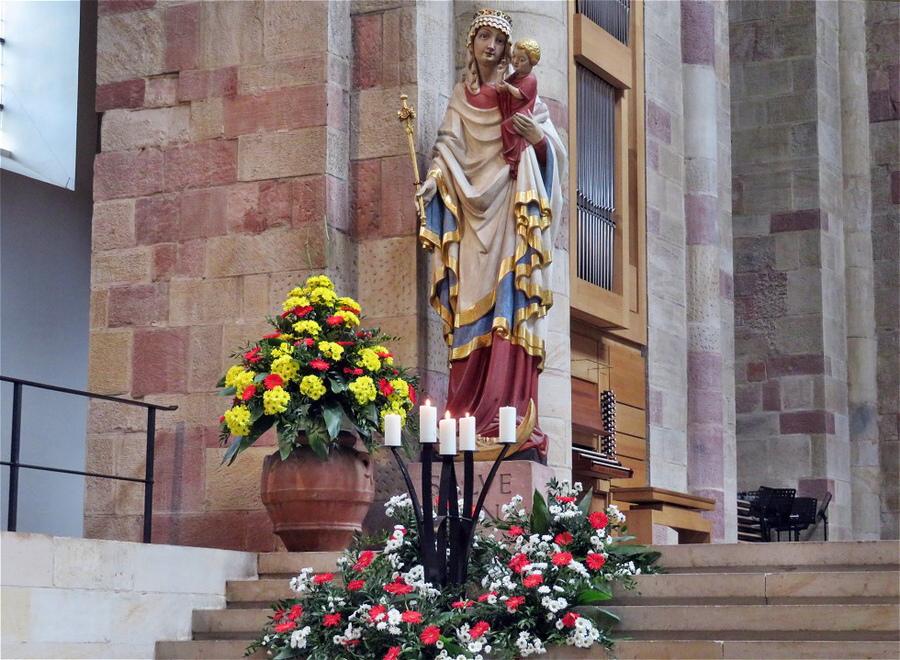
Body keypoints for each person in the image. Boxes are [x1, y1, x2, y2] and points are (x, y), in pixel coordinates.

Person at [415, 9, 567, 461]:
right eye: (484, 37)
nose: (491, 47)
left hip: (510, 208)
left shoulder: (523, 93)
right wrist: (433, 182)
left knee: (511, 307)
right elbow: (446, 149)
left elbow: (553, 157)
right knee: (469, 315)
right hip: (469, 219)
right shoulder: (461, 98)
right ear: (472, 43)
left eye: (499, 41)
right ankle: (464, 419)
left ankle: (506, 415)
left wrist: (538, 139)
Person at [497, 39, 541, 180]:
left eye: (521, 60)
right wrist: (500, 76)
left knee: (507, 126)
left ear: (531, 63)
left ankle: (513, 158)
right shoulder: (516, 75)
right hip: (513, 111)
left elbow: (519, 94)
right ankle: (511, 156)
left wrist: (507, 88)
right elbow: (504, 83)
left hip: (523, 113)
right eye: (514, 57)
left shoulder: (530, 79)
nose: (515, 61)